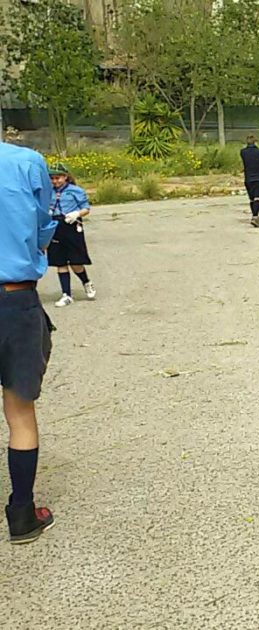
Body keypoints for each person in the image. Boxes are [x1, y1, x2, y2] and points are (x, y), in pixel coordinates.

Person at [0, 141, 57, 544]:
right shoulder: (25, 162)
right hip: (13, 296)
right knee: (19, 410)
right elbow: (43, 229)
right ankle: (22, 514)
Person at [46, 164, 96, 307]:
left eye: (58, 178)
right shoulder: (47, 192)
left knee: (76, 262)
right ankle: (66, 294)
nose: (55, 181)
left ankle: (86, 281)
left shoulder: (75, 191)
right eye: (52, 179)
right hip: (55, 225)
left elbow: (86, 208)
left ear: (65, 177)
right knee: (60, 262)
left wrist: (77, 214)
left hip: (71, 224)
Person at [240, 135, 259, 228]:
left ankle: (254, 216)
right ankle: (255, 217)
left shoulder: (243, 152)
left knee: (252, 199)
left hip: (248, 179)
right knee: (258, 198)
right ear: (256, 142)